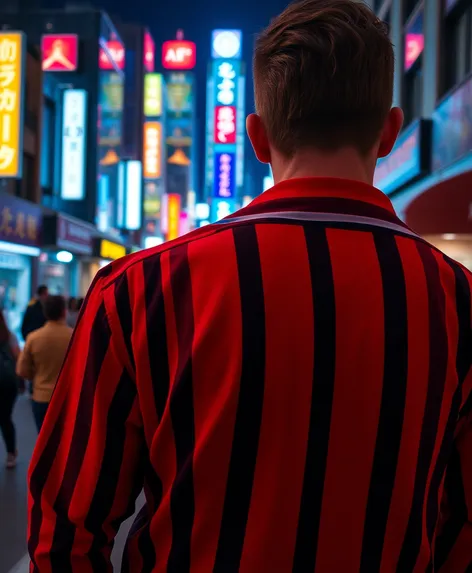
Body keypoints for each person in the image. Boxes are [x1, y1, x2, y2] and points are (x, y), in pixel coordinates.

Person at [28, 1, 472, 571]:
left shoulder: (141, 291)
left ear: (258, 139)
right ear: (389, 131)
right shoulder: (456, 302)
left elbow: (64, 530)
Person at [17, 295, 72, 433]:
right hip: (67, 398)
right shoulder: (74, 336)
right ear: (64, 312)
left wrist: (36, 376)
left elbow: (22, 370)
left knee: (43, 440)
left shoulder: (34, 338)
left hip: (41, 397)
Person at [0, 311, 20, 469]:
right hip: (8, 383)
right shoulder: (9, 336)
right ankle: (11, 453)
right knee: (5, 418)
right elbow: (18, 357)